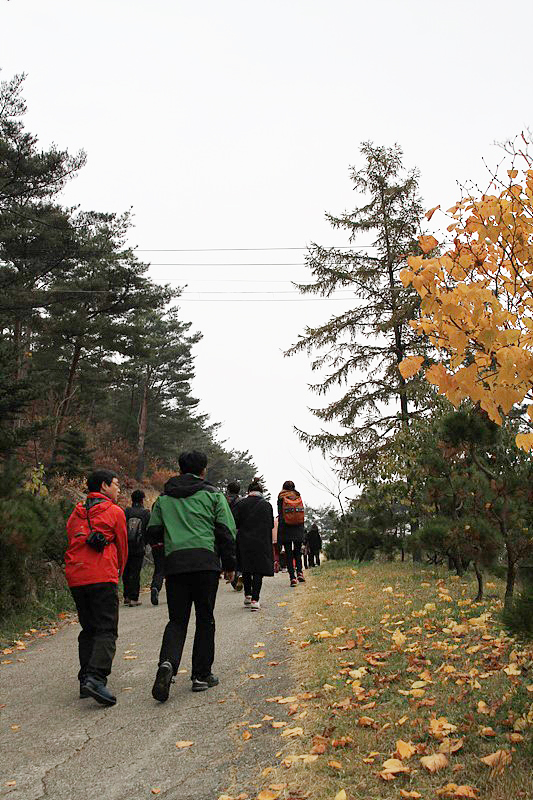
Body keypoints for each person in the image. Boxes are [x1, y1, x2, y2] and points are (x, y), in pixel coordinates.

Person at [147, 450, 236, 701]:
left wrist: (167, 550)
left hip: (176, 566)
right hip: (205, 563)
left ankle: (167, 664)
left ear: (180, 468)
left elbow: (152, 531)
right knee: (205, 618)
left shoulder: (164, 499)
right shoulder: (212, 495)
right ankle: (201, 675)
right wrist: (229, 564)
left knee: (177, 620)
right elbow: (226, 531)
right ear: (203, 470)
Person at [65, 468, 127, 707]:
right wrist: (118, 573)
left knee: (88, 628)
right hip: (102, 575)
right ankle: (96, 677)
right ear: (103, 486)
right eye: (115, 483)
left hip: (76, 576)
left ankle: (85, 679)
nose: (118, 488)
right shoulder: (114, 512)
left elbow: (72, 538)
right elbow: (122, 546)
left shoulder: (76, 513)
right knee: (106, 629)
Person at [232, 479, 275, 611]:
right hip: (261, 541)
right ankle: (255, 600)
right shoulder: (266, 505)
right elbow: (271, 525)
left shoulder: (241, 504)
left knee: (246, 568)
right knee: (258, 570)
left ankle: (248, 595)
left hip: (244, 540)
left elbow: (235, 523)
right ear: (261, 492)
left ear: (248, 491)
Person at [123, 489, 151, 606]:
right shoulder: (146, 513)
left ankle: (127, 596)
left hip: (126, 546)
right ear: (142, 499)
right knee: (135, 572)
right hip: (139, 546)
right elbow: (148, 530)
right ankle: (134, 598)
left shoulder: (127, 511)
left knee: (126, 571)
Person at [277, 480, 306, 588]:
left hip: (286, 527)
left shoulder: (281, 497)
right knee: (298, 552)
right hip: (298, 526)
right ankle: (300, 572)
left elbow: (280, 514)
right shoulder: (298, 495)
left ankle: (292, 578)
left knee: (288, 554)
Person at [225, 481, 243, 592]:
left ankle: (231, 577)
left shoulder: (223, 500)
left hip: (225, 529)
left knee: (228, 553)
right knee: (238, 553)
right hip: (237, 530)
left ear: (228, 489)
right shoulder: (241, 501)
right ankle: (238, 574)